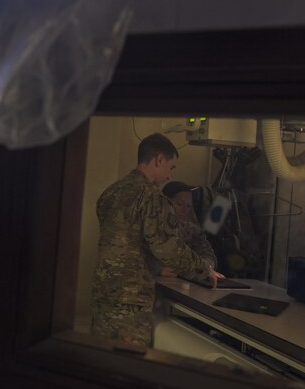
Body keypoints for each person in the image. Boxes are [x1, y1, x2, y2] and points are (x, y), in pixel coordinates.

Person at [90, 133, 221, 347]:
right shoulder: (152, 198)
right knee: (128, 363)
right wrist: (204, 270)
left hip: (103, 292)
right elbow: (167, 248)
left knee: (102, 358)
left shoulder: (111, 192)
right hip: (131, 300)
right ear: (159, 159)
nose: (169, 176)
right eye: (171, 167)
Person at [159, 181, 218, 277]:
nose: (184, 210)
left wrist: (205, 267)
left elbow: (208, 255)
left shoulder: (191, 229)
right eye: (179, 204)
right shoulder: (151, 225)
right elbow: (134, 256)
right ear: (165, 202)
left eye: (188, 206)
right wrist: (157, 269)